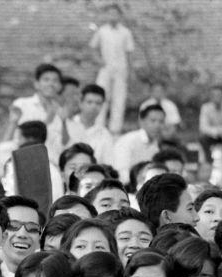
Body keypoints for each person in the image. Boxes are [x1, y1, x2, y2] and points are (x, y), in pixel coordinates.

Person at [90, 4, 134, 134]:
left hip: (121, 69)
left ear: (120, 16)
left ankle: (115, 129)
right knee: (101, 97)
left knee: (119, 99)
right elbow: (93, 48)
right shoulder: (102, 31)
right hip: (106, 69)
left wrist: (129, 71)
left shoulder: (126, 32)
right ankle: (98, 127)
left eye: (115, 14)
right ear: (107, 15)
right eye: (110, 13)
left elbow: (129, 52)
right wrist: (100, 61)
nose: (113, 16)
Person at [111, 104, 164, 184]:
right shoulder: (128, 141)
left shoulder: (156, 146)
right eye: (153, 120)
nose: (157, 125)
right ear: (141, 121)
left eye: (161, 122)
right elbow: (120, 172)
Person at [69, 85, 112, 163]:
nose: (94, 106)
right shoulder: (67, 125)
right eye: (89, 102)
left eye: (98, 103)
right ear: (80, 103)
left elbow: (108, 163)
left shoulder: (105, 134)